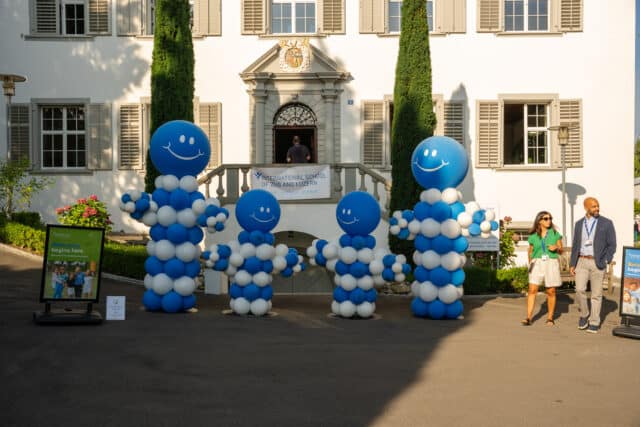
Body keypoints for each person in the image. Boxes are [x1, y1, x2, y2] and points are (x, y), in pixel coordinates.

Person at [569, 196, 617, 333]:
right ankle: (584, 314)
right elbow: (575, 245)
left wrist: (607, 259)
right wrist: (573, 263)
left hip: (598, 262)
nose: (597, 208)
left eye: (597, 206)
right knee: (579, 289)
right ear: (586, 208)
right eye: (593, 206)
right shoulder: (579, 224)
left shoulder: (606, 223)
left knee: (596, 294)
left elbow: (612, 244)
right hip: (581, 261)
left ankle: (594, 321)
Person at [521, 211, 563, 326]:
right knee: (532, 290)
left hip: (551, 262)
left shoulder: (555, 234)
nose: (549, 220)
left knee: (551, 291)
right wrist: (530, 264)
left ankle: (550, 318)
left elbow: (561, 249)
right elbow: (530, 251)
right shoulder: (533, 236)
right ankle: (528, 317)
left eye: (550, 218)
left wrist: (556, 248)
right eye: (546, 218)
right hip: (537, 263)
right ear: (539, 221)